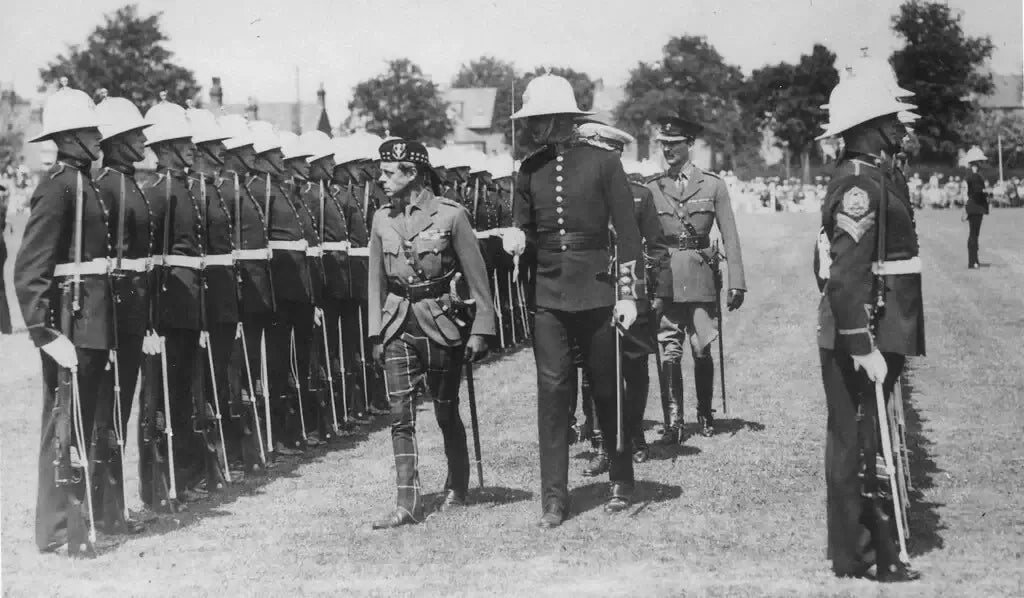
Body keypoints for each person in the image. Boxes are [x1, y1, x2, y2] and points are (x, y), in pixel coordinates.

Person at [504, 74, 643, 527]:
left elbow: (628, 233)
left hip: (599, 290)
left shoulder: (602, 163)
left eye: (542, 119)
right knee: (553, 393)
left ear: (561, 118)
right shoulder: (529, 169)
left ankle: (621, 476)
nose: (535, 128)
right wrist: (516, 239)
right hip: (548, 293)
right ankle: (554, 497)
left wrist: (627, 293)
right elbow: (526, 228)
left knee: (606, 388)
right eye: (533, 120)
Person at [816, 71, 923, 582]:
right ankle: (862, 554)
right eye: (889, 118)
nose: (899, 126)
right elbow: (846, 275)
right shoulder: (859, 183)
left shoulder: (869, 174)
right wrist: (861, 345)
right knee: (857, 438)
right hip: (867, 331)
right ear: (869, 126)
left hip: (881, 325)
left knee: (863, 437)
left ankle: (863, 548)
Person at [367, 138, 494, 529]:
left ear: (413, 173)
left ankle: (458, 482)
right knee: (399, 416)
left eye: (389, 173)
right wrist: (375, 334)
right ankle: (407, 500)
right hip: (396, 324)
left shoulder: (451, 216)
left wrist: (481, 329)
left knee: (444, 410)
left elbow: (477, 277)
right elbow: (374, 282)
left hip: (440, 324)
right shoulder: (380, 219)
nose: (382, 179)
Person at [15, 80, 110, 558]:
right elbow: (29, 269)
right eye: (91, 131)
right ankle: (57, 528)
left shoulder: (84, 183)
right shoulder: (56, 188)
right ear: (70, 137)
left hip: (93, 319)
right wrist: (45, 332)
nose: (99, 139)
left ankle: (73, 520)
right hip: (69, 326)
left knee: (82, 423)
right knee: (64, 427)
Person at [645, 114, 746, 441]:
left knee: (702, 346)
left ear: (690, 144)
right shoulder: (653, 187)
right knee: (669, 347)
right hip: (667, 279)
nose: (668, 150)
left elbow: (730, 236)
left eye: (674, 144)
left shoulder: (713, 184)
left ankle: (704, 414)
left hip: (702, 278)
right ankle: (673, 421)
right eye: (664, 145)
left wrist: (736, 282)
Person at [143, 93, 223, 502]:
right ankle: (164, 481)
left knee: (186, 390)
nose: (192, 149)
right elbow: (152, 260)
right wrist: (153, 318)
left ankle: (189, 473)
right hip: (170, 305)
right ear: (164, 148)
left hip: (189, 300)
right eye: (184, 143)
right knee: (167, 396)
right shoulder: (160, 191)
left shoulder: (185, 188)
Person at [576, 119, 668, 467]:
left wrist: (660, 294)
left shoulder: (640, 196)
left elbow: (657, 248)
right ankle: (602, 445)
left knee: (635, 370)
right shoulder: (577, 197)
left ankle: (634, 433)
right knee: (594, 372)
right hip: (593, 292)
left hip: (633, 294)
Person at [93, 90, 155, 530]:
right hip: (117, 310)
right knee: (110, 412)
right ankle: (107, 509)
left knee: (123, 406)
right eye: (134, 134)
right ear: (116, 141)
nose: (142, 141)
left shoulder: (129, 182)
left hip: (135, 308)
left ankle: (113, 505)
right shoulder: (107, 187)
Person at [219, 114, 274, 473]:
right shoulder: (228, 189)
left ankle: (250, 446)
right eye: (247, 150)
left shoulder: (242, 187)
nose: (254, 155)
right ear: (234, 153)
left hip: (252, 290)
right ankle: (237, 450)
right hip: (235, 291)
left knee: (250, 368)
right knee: (233, 374)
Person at [963, 146, 989, 269]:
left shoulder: (969, 175)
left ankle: (974, 260)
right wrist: (988, 192)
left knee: (973, 234)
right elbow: (978, 192)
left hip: (972, 206)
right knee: (974, 234)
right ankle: (973, 261)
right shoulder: (975, 176)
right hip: (976, 206)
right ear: (976, 162)